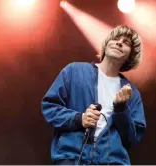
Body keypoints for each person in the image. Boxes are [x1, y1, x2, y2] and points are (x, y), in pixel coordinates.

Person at [41, 25, 146, 165]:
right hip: (72, 159)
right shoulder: (74, 71)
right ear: (107, 44)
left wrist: (121, 109)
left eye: (126, 43)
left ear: (131, 55)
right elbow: (49, 107)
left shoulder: (132, 93)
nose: (119, 42)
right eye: (115, 38)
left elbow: (132, 138)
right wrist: (79, 118)